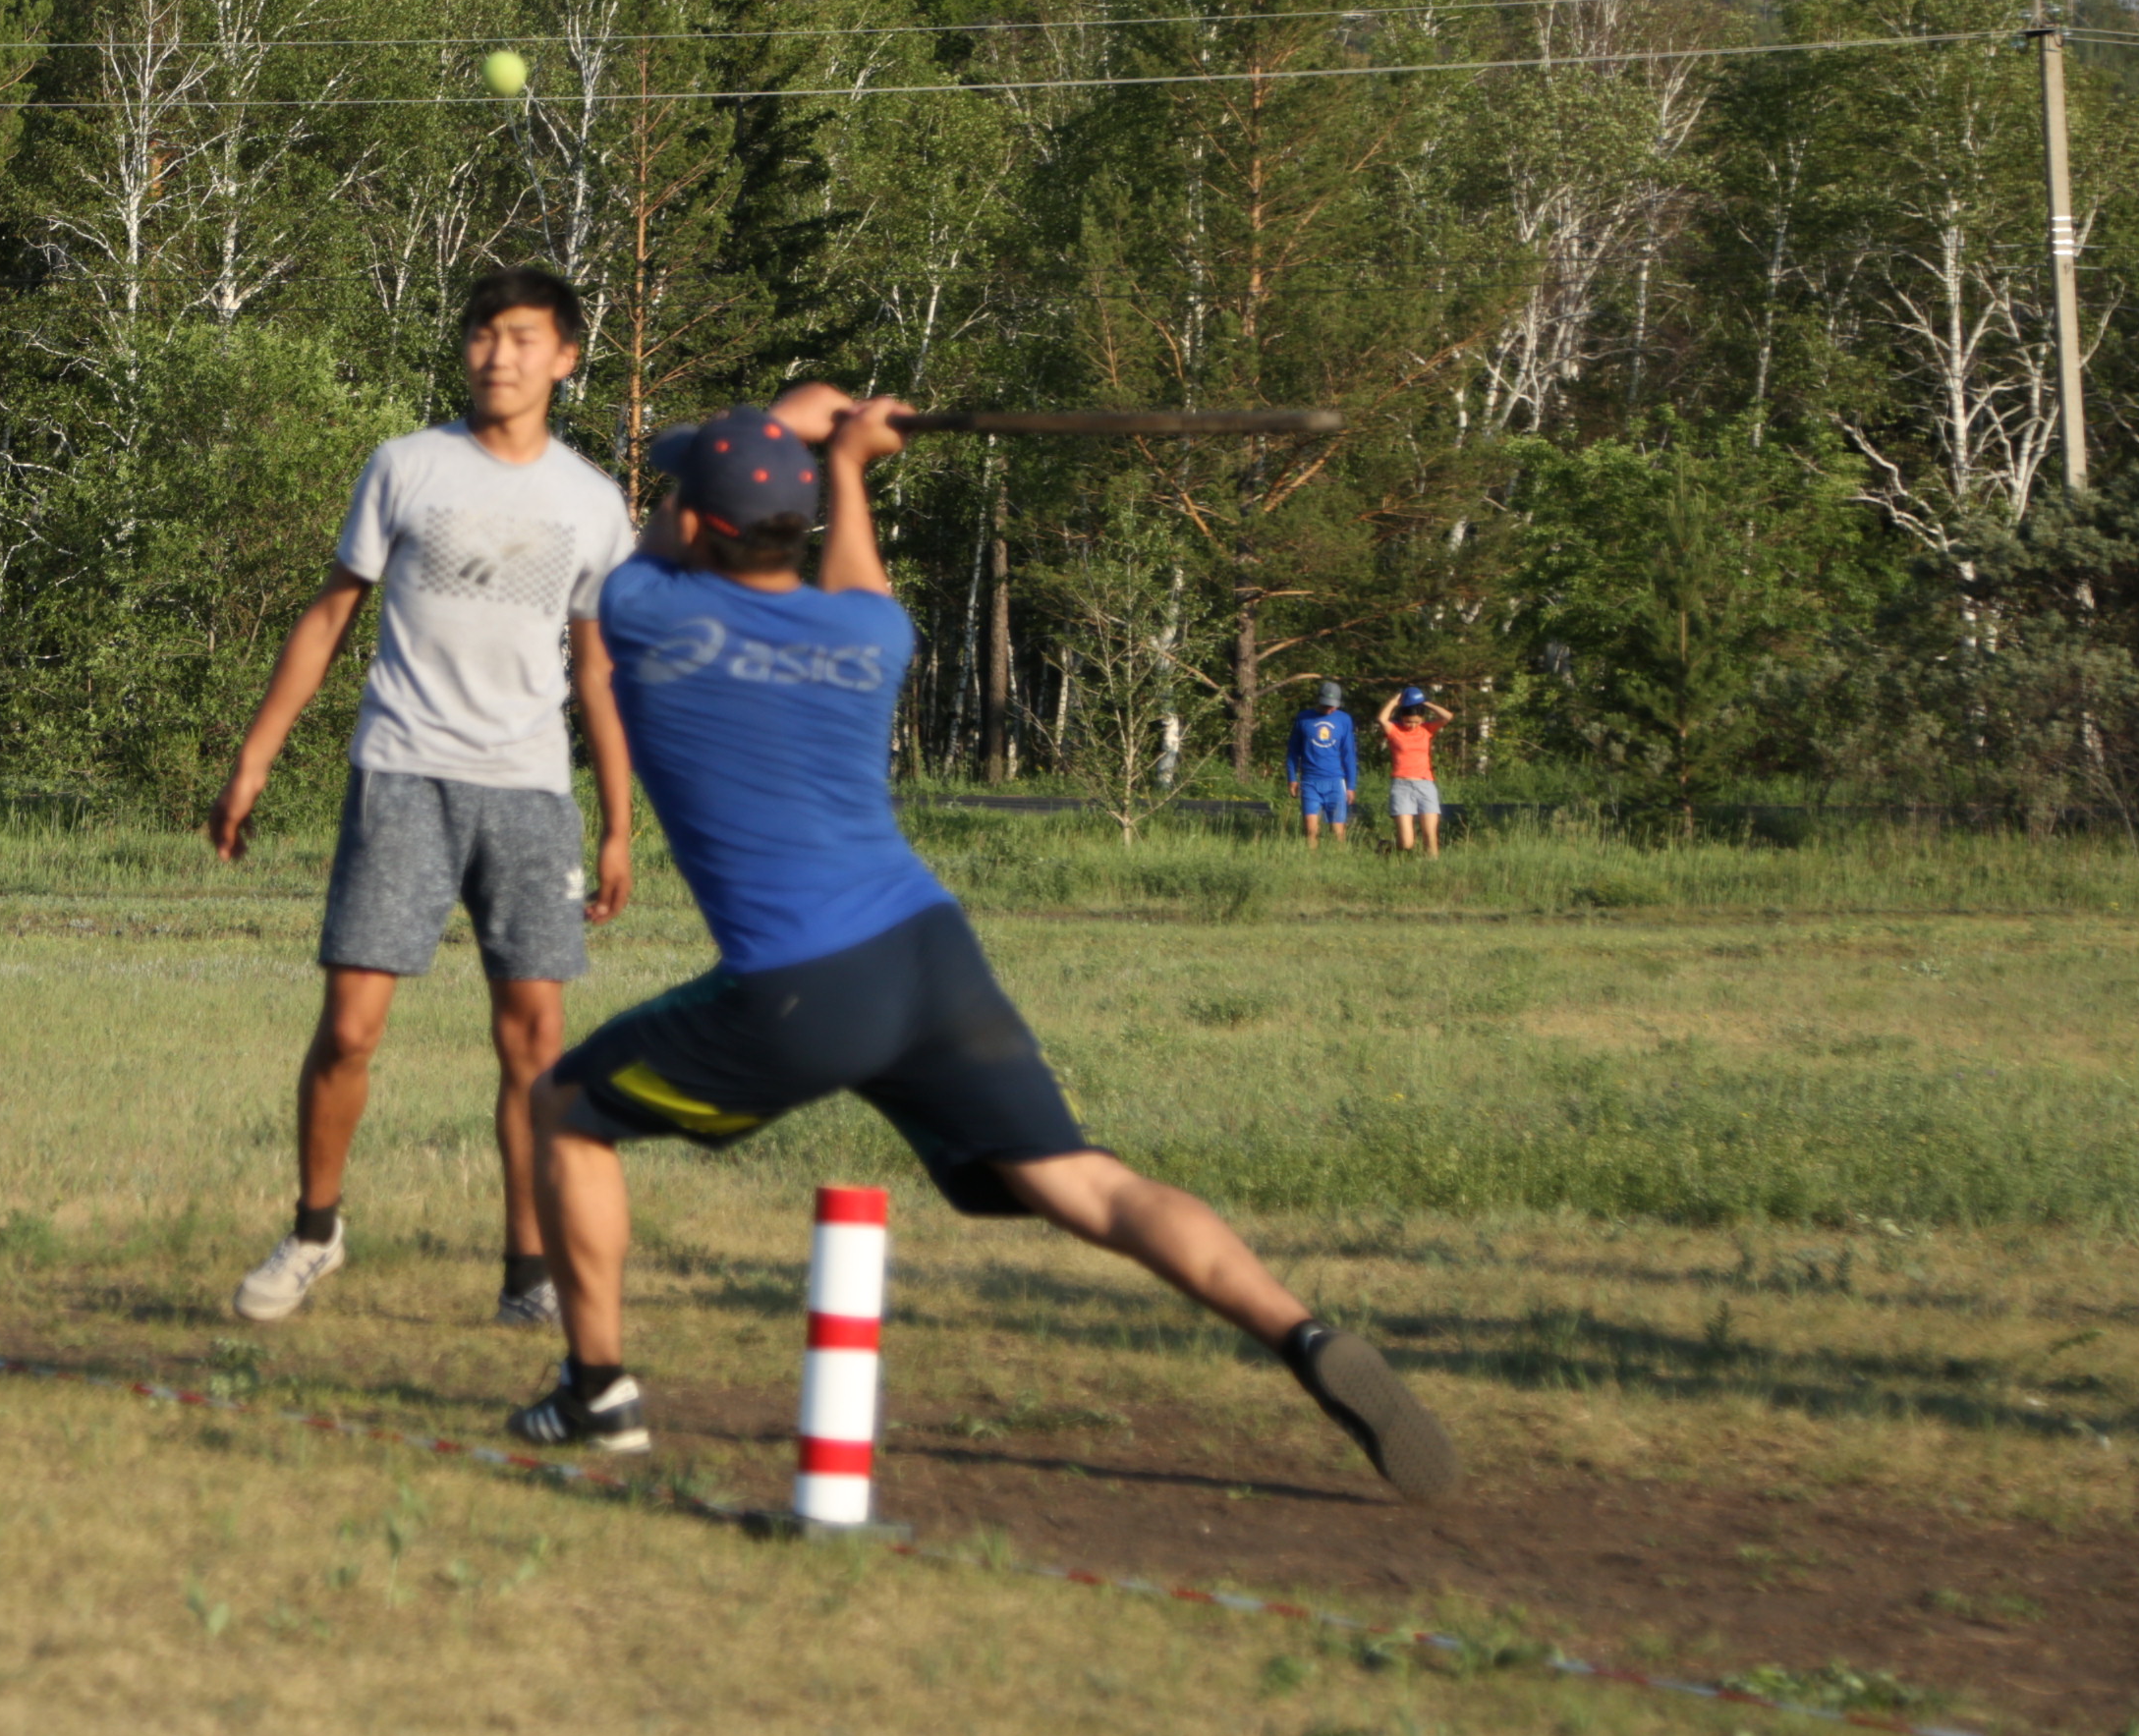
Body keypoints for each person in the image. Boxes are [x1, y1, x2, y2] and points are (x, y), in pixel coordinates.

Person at [502, 388, 1458, 1507]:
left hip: (803, 988)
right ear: (804, 521)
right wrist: (849, 460)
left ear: (702, 523)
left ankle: (596, 1386)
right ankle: (1303, 1336)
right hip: (929, 951)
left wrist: (791, 422)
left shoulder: (645, 614)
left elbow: (668, 536)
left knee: (565, 1108)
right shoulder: (870, 633)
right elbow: (845, 565)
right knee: (1087, 1184)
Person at [209, 266, 641, 1328]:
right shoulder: (406, 466)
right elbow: (328, 618)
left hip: (531, 793)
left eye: (525, 337)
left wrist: (623, 823)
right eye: (485, 333)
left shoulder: (592, 501)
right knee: (351, 1029)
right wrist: (255, 757)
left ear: (566, 357)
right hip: (402, 772)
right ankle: (315, 1233)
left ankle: (528, 1274)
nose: (500, 354)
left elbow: (597, 671)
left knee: (534, 1042)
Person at [1379, 685, 1456, 857]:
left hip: (1425, 784)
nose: (1412, 725)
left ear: (1422, 719)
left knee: (1430, 836)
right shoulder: (1394, 730)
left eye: (1416, 721)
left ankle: (1433, 871)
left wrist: (1425, 702)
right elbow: (1382, 719)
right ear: (1402, 718)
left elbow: (1447, 716)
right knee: (1407, 842)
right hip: (1401, 786)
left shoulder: (1427, 729)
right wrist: (1394, 700)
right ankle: (1387, 850)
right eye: (1408, 721)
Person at [1285, 680, 1358, 846]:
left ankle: (1339, 864)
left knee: (1338, 832)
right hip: (1310, 781)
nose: (1330, 709)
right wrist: (1292, 778)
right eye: (1326, 705)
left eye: (1333, 705)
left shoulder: (1344, 719)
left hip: (1335, 781)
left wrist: (1351, 785)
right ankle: (1312, 866)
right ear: (1319, 700)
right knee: (1311, 830)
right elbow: (1293, 751)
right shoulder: (1303, 718)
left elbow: (1349, 754)